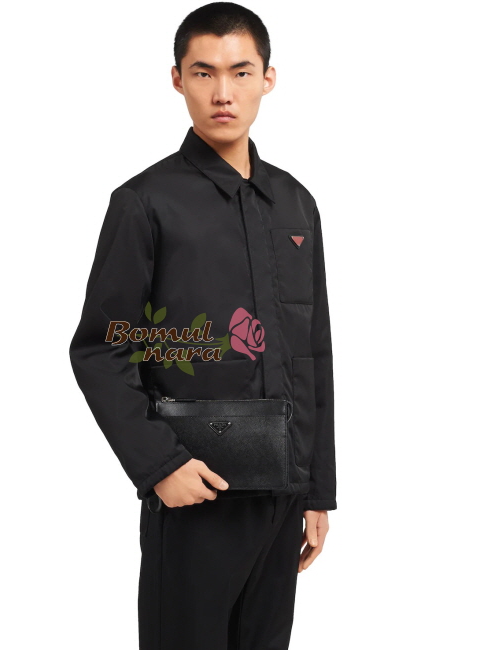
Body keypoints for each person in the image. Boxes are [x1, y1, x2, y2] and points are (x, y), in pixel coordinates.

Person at [69, 3, 337, 648]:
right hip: (194, 494)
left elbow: (314, 352)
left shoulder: (295, 203)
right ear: (177, 79)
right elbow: (101, 351)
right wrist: (160, 465)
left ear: (268, 78)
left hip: (283, 496)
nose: (223, 93)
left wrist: (318, 489)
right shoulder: (144, 203)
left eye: (240, 72)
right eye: (203, 72)